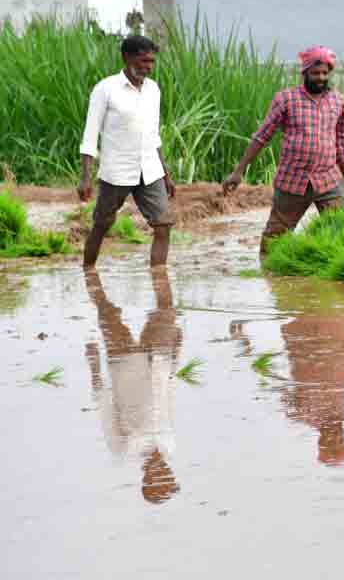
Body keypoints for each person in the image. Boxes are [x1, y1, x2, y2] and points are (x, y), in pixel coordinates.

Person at [222, 45, 344, 255]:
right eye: (315, 73)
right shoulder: (286, 99)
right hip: (293, 180)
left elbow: (342, 144)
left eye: (324, 73)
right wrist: (239, 171)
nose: (320, 78)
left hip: (328, 178)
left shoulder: (338, 101)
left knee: (342, 231)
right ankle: (270, 275)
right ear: (305, 73)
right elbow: (261, 136)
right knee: (276, 237)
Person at [83, 268, 183, 504]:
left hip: (123, 366)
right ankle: (154, 267)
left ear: (148, 478)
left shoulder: (123, 450)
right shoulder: (170, 446)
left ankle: (91, 271)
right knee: (166, 310)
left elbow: (105, 409)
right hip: (157, 359)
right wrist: (176, 355)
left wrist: (94, 366)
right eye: (170, 474)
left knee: (107, 313)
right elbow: (167, 398)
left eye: (164, 476)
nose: (167, 470)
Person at [78, 35, 176, 268]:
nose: (148, 67)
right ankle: (88, 272)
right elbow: (90, 136)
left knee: (163, 225)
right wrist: (85, 178)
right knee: (102, 224)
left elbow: (153, 135)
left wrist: (165, 174)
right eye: (143, 61)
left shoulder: (153, 90)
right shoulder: (106, 89)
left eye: (152, 62)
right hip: (117, 172)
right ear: (126, 57)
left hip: (149, 170)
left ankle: (159, 285)